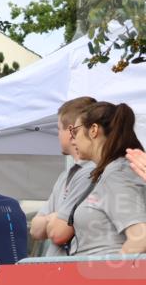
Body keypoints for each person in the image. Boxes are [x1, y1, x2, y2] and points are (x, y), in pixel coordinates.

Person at [52, 102, 146, 256]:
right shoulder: (111, 172)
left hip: (104, 275)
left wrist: (111, 274)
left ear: (94, 130)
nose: (72, 139)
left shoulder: (117, 173)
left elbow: (140, 238)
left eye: (75, 131)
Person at [29, 97, 97, 256]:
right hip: (58, 270)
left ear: (72, 131)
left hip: (74, 270)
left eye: (59, 129)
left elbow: (59, 233)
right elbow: (35, 230)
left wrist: (53, 219)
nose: (58, 135)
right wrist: (53, 219)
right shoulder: (65, 176)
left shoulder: (92, 172)